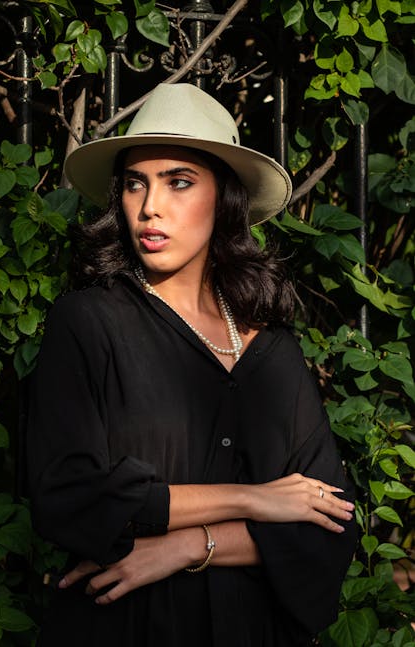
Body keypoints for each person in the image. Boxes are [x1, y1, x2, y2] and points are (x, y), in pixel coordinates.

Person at [27, 83, 357, 647]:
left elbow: (329, 521)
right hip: (124, 625)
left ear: (224, 198)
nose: (150, 207)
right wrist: (254, 500)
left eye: (179, 182)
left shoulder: (272, 349)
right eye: (135, 184)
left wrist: (185, 545)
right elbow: (69, 499)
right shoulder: (88, 323)